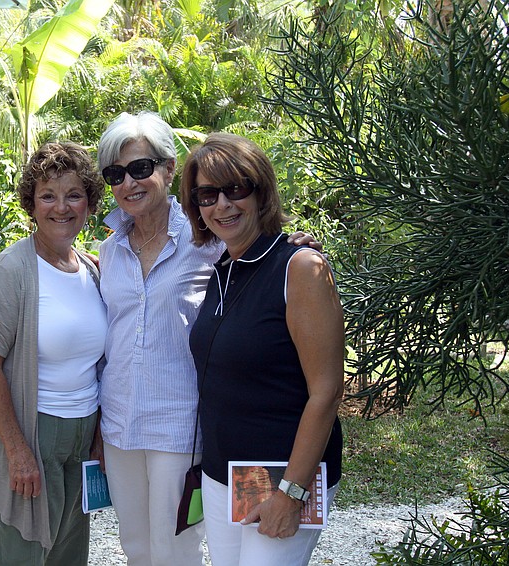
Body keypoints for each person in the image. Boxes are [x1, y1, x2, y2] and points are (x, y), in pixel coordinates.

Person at [95, 111, 320, 566]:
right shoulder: (107, 250)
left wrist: (296, 248)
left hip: (181, 423)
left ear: (167, 168)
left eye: (141, 168)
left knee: (175, 549)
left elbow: (261, 253)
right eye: (115, 174)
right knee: (135, 547)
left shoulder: (209, 239)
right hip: (119, 421)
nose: (129, 183)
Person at [181, 132, 344, 566]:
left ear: (261, 191)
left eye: (236, 189)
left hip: (284, 474)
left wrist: (291, 493)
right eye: (207, 194)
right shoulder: (223, 268)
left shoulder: (300, 267)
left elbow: (326, 391)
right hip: (225, 474)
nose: (223, 205)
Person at [0, 141, 107, 566]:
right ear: (31, 204)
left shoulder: (91, 268)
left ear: (89, 202)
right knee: (24, 557)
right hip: (31, 432)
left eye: (73, 195)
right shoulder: (10, 273)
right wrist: (17, 450)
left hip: (81, 437)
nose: (61, 207)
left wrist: (98, 439)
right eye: (48, 195)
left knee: (68, 557)